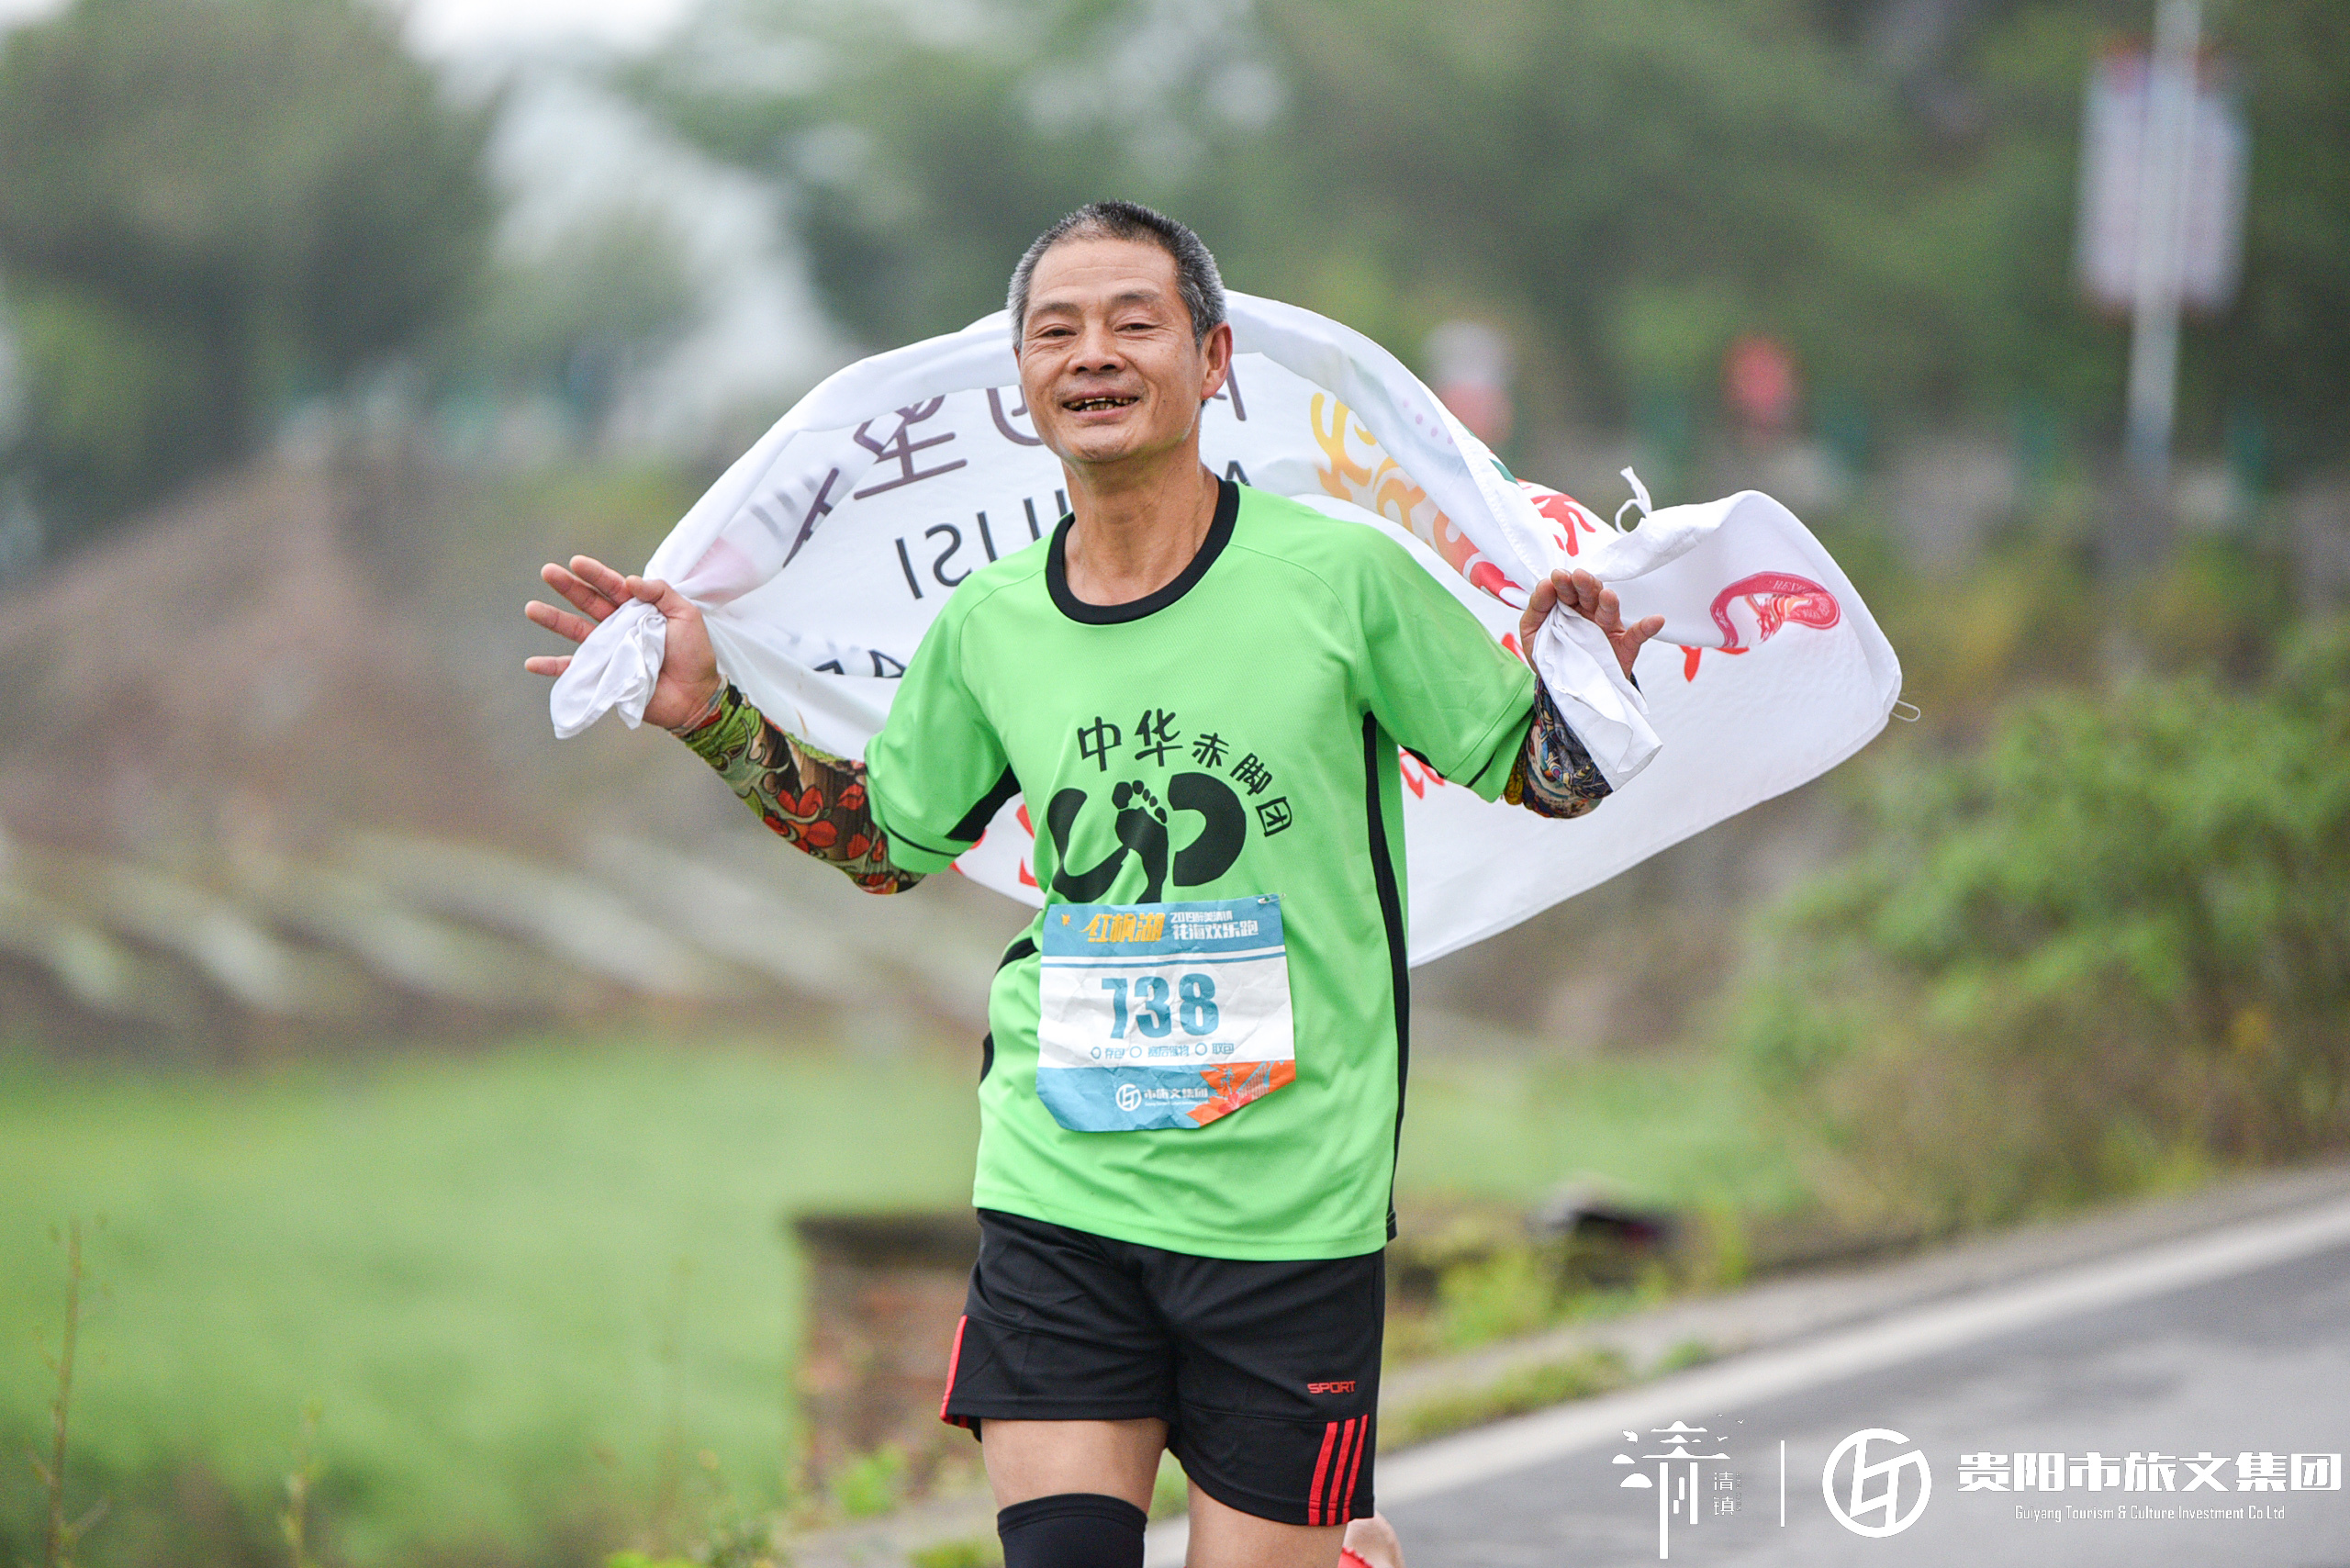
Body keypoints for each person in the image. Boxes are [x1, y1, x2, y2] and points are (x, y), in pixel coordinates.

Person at [527, 201, 1662, 1568]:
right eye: (1056, 331)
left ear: (1213, 359)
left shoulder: (1340, 580)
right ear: (1022, 380)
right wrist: (712, 718)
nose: (1094, 355)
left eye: (1136, 322)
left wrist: (1593, 691)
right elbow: (884, 842)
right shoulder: (992, 622)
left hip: (1290, 1210)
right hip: (1061, 1186)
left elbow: (1548, 773)